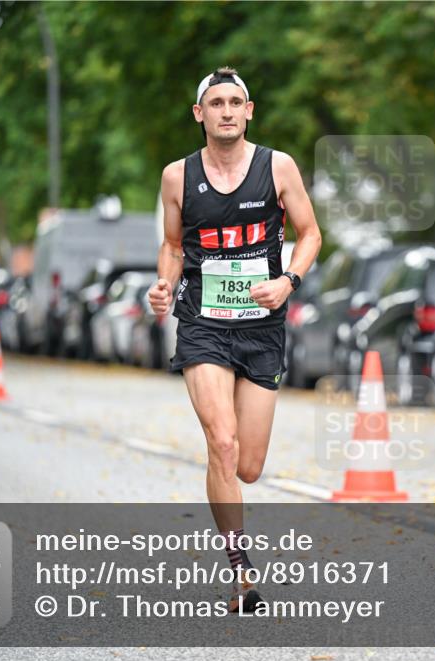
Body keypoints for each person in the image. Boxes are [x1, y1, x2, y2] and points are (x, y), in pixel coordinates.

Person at [147, 67, 321, 613]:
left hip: (261, 326)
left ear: (249, 111)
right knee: (221, 444)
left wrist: (288, 281)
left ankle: (233, 510)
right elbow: (173, 246)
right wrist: (163, 285)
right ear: (199, 114)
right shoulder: (177, 177)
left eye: (235, 102)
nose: (226, 111)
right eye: (216, 103)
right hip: (203, 323)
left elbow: (311, 234)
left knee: (248, 465)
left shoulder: (278, 167)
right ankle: (242, 574)